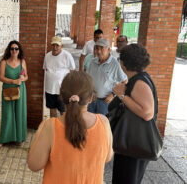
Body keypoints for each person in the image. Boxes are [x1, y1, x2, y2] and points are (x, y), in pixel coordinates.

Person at [27, 70, 113, 183]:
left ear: (61, 96)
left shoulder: (49, 126)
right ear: (91, 98)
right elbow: (108, 157)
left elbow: (34, 165)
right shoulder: (104, 122)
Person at [112, 44, 157, 184]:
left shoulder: (139, 82)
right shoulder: (138, 78)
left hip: (135, 143)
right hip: (131, 142)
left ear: (124, 63)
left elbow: (147, 113)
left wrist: (121, 95)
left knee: (127, 179)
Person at [0, 41, 28, 149]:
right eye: (12, 49)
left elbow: (26, 76)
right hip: (8, 90)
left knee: (19, 113)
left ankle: (18, 138)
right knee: (8, 114)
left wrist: (23, 78)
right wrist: (13, 81)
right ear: (9, 50)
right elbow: (1, 77)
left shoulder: (22, 61)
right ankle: (3, 139)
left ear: (19, 50)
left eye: (16, 49)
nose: (14, 51)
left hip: (20, 90)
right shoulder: (4, 62)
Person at [86, 39, 127, 115]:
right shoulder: (93, 62)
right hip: (91, 100)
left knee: (103, 124)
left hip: (105, 102)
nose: (98, 51)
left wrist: (113, 94)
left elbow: (125, 81)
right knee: (90, 124)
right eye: (97, 48)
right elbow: (88, 78)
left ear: (109, 49)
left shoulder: (115, 64)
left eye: (101, 48)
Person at [43, 36, 75, 117]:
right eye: (53, 45)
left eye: (57, 45)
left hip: (62, 90)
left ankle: (63, 128)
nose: (55, 47)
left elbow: (73, 72)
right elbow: (45, 69)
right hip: (49, 89)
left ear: (61, 46)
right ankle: (54, 128)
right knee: (52, 110)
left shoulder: (67, 56)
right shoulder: (47, 56)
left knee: (63, 111)